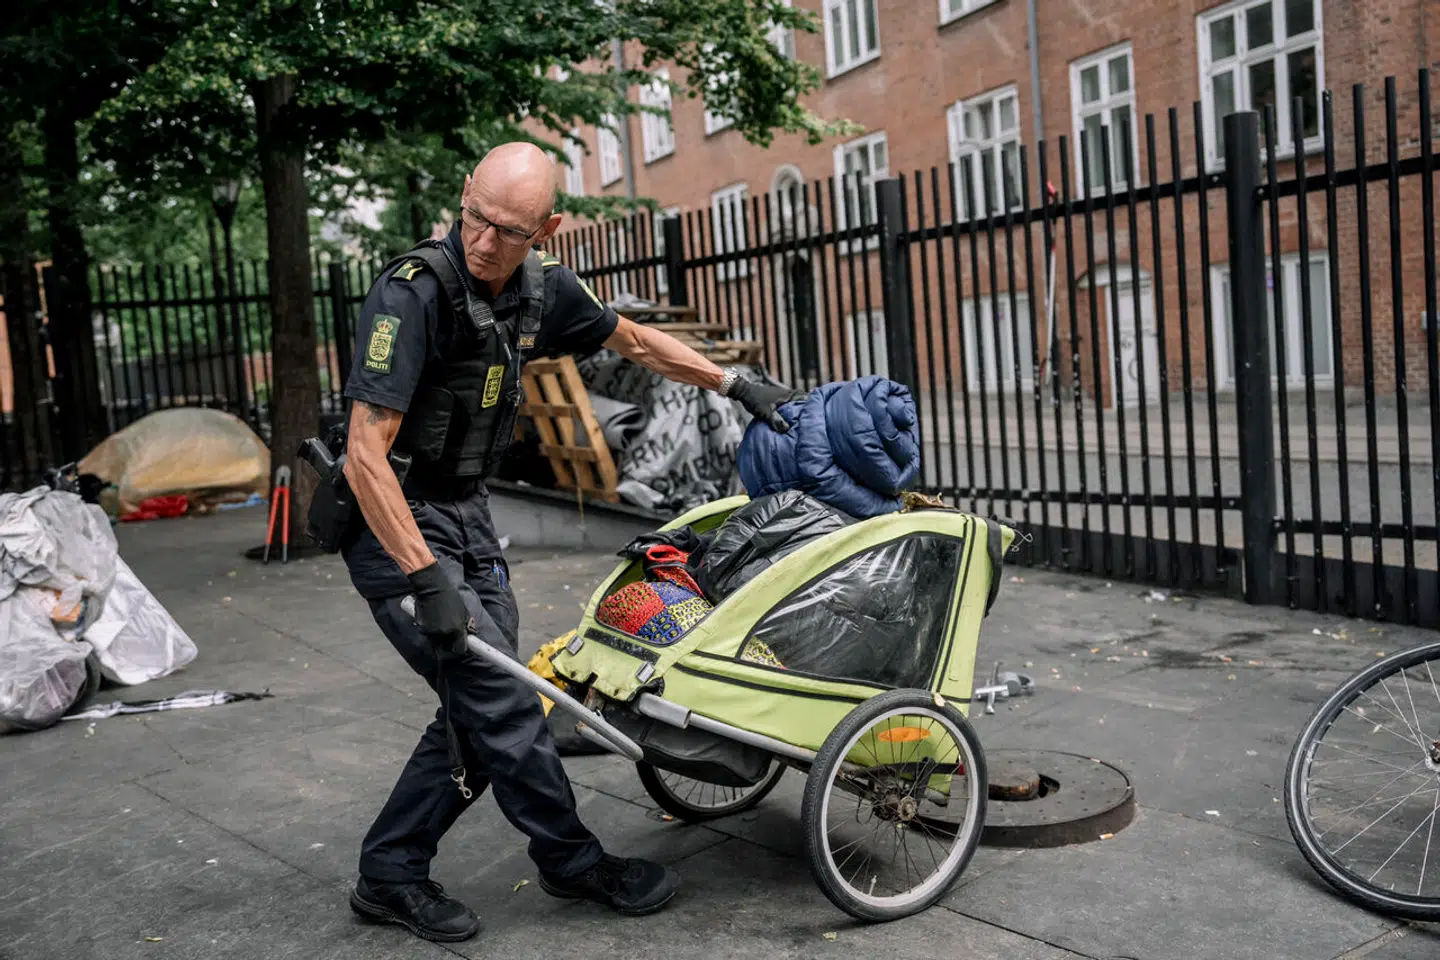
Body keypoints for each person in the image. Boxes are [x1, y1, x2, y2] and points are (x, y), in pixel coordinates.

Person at [336, 142, 797, 943]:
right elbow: (362, 453)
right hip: (397, 524)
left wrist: (734, 382)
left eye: (508, 231)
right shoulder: (410, 294)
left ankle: (390, 870)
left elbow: (635, 341)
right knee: (507, 705)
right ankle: (572, 862)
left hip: (467, 518)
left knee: (481, 711)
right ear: (463, 197)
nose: (483, 242)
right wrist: (423, 578)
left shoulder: (541, 292)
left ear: (545, 229)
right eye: (475, 217)